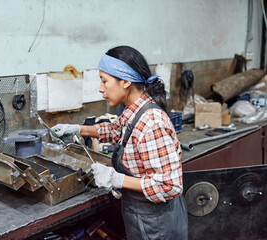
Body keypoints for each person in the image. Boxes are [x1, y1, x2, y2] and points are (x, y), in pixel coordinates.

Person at [51, 46, 188, 239]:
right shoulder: (133, 110)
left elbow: (170, 185)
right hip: (141, 215)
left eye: (104, 81)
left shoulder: (152, 124)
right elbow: (115, 130)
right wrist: (78, 129)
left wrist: (116, 179)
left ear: (125, 81)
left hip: (156, 223)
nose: (100, 88)